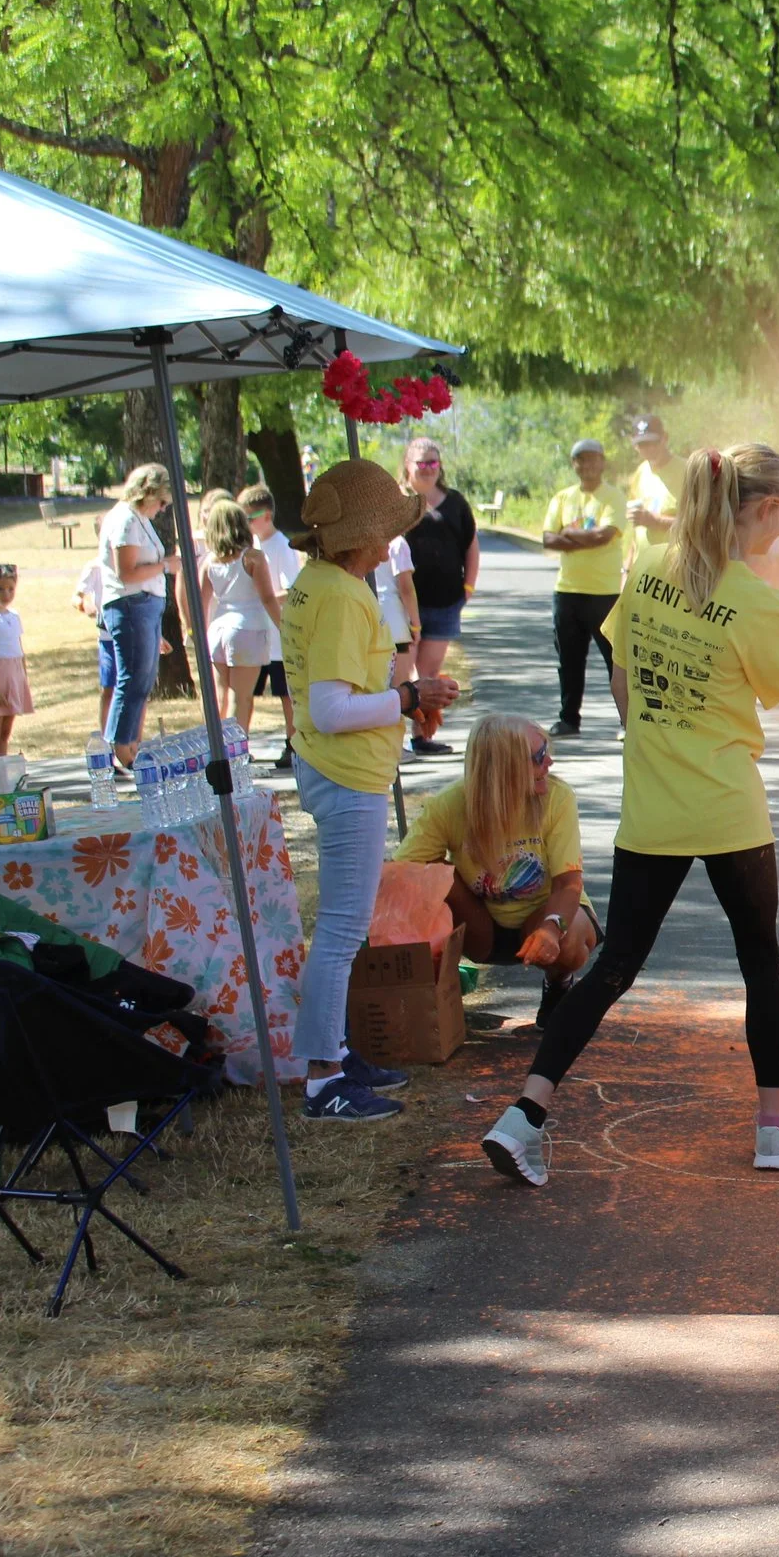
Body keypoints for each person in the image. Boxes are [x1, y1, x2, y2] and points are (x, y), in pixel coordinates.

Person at [478, 444, 779, 1189]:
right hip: (728, 810)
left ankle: (521, 1115)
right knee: (760, 963)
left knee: (614, 965)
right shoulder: (758, 599)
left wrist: (642, 736)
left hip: (652, 804)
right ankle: (773, 1131)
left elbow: (618, 662)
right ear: (764, 508)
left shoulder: (650, 563)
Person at [282, 458, 462, 1120]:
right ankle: (324, 1078)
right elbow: (331, 709)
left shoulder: (326, 581)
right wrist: (409, 695)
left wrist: (404, 699)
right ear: (359, 537)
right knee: (339, 930)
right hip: (345, 772)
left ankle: (332, 1049)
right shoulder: (338, 593)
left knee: (344, 926)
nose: (393, 539)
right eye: (385, 528)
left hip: (338, 768)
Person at [398, 714, 601, 1024]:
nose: (549, 763)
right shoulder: (449, 805)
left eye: (547, 750)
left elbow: (568, 885)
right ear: (504, 769)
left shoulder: (558, 798)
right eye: (538, 757)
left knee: (569, 938)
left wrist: (550, 928)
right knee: (432, 874)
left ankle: (558, 983)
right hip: (482, 927)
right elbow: (402, 871)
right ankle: (437, 994)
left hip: (543, 915)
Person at [540, 438, 626, 736]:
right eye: (581, 460)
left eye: (592, 459)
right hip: (568, 591)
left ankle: (626, 720)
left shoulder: (613, 497)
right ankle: (568, 719)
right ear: (573, 464)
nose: (587, 465)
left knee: (616, 661)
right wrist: (580, 536)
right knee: (569, 660)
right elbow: (548, 539)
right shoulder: (563, 498)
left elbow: (606, 535)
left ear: (603, 462)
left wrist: (569, 533)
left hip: (605, 593)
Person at [96, 462, 178, 771]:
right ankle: (120, 746)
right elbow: (127, 572)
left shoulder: (138, 518)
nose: (162, 508)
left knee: (143, 679)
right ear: (149, 492)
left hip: (144, 606)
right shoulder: (126, 519)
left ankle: (130, 742)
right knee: (131, 678)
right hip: (130, 604)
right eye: (162, 501)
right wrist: (167, 566)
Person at [400, 436, 477, 756]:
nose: (428, 468)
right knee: (400, 676)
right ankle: (392, 738)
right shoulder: (396, 501)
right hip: (403, 604)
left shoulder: (455, 502)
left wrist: (467, 588)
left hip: (444, 602)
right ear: (407, 465)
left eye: (433, 462)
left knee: (429, 674)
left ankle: (422, 736)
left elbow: (471, 546)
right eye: (421, 463)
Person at [200, 492, 284, 739]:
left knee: (219, 696)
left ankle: (215, 747)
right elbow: (267, 598)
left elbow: (201, 602)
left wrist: (198, 636)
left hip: (217, 629)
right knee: (241, 697)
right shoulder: (253, 558)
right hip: (248, 628)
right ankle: (237, 751)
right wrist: (285, 628)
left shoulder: (209, 562)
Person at [238, 485, 303, 769]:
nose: (247, 525)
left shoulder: (283, 545)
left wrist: (263, 597)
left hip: (276, 634)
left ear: (267, 515)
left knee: (285, 693)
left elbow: (292, 588)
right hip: (256, 632)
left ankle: (293, 743)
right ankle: (239, 746)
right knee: (246, 692)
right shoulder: (249, 549)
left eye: (250, 518)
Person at [623, 415, 683, 558]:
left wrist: (655, 521)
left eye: (653, 442)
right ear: (635, 445)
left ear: (665, 438)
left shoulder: (688, 471)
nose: (648, 448)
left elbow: (702, 526)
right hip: (642, 567)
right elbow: (636, 530)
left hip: (675, 569)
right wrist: (626, 570)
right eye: (642, 444)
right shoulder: (640, 472)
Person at [372, 531, 419, 689]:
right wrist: (416, 624)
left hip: (369, 611)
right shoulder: (398, 543)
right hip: (394, 619)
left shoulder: (364, 541)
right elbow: (406, 588)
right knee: (401, 686)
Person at [72, 554, 114, 733]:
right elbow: (77, 597)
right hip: (107, 637)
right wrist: (84, 605)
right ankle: (107, 736)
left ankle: (132, 738)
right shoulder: (95, 566)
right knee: (109, 688)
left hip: (131, 634)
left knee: (132, 690)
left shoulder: (134, 561)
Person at [0, 564, 28, 755]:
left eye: (10, 589)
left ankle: (0, 776)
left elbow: (19, 649)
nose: (5, 594)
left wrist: (23, 679)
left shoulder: (14, 616)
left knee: (5, 733)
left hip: (12, 676)